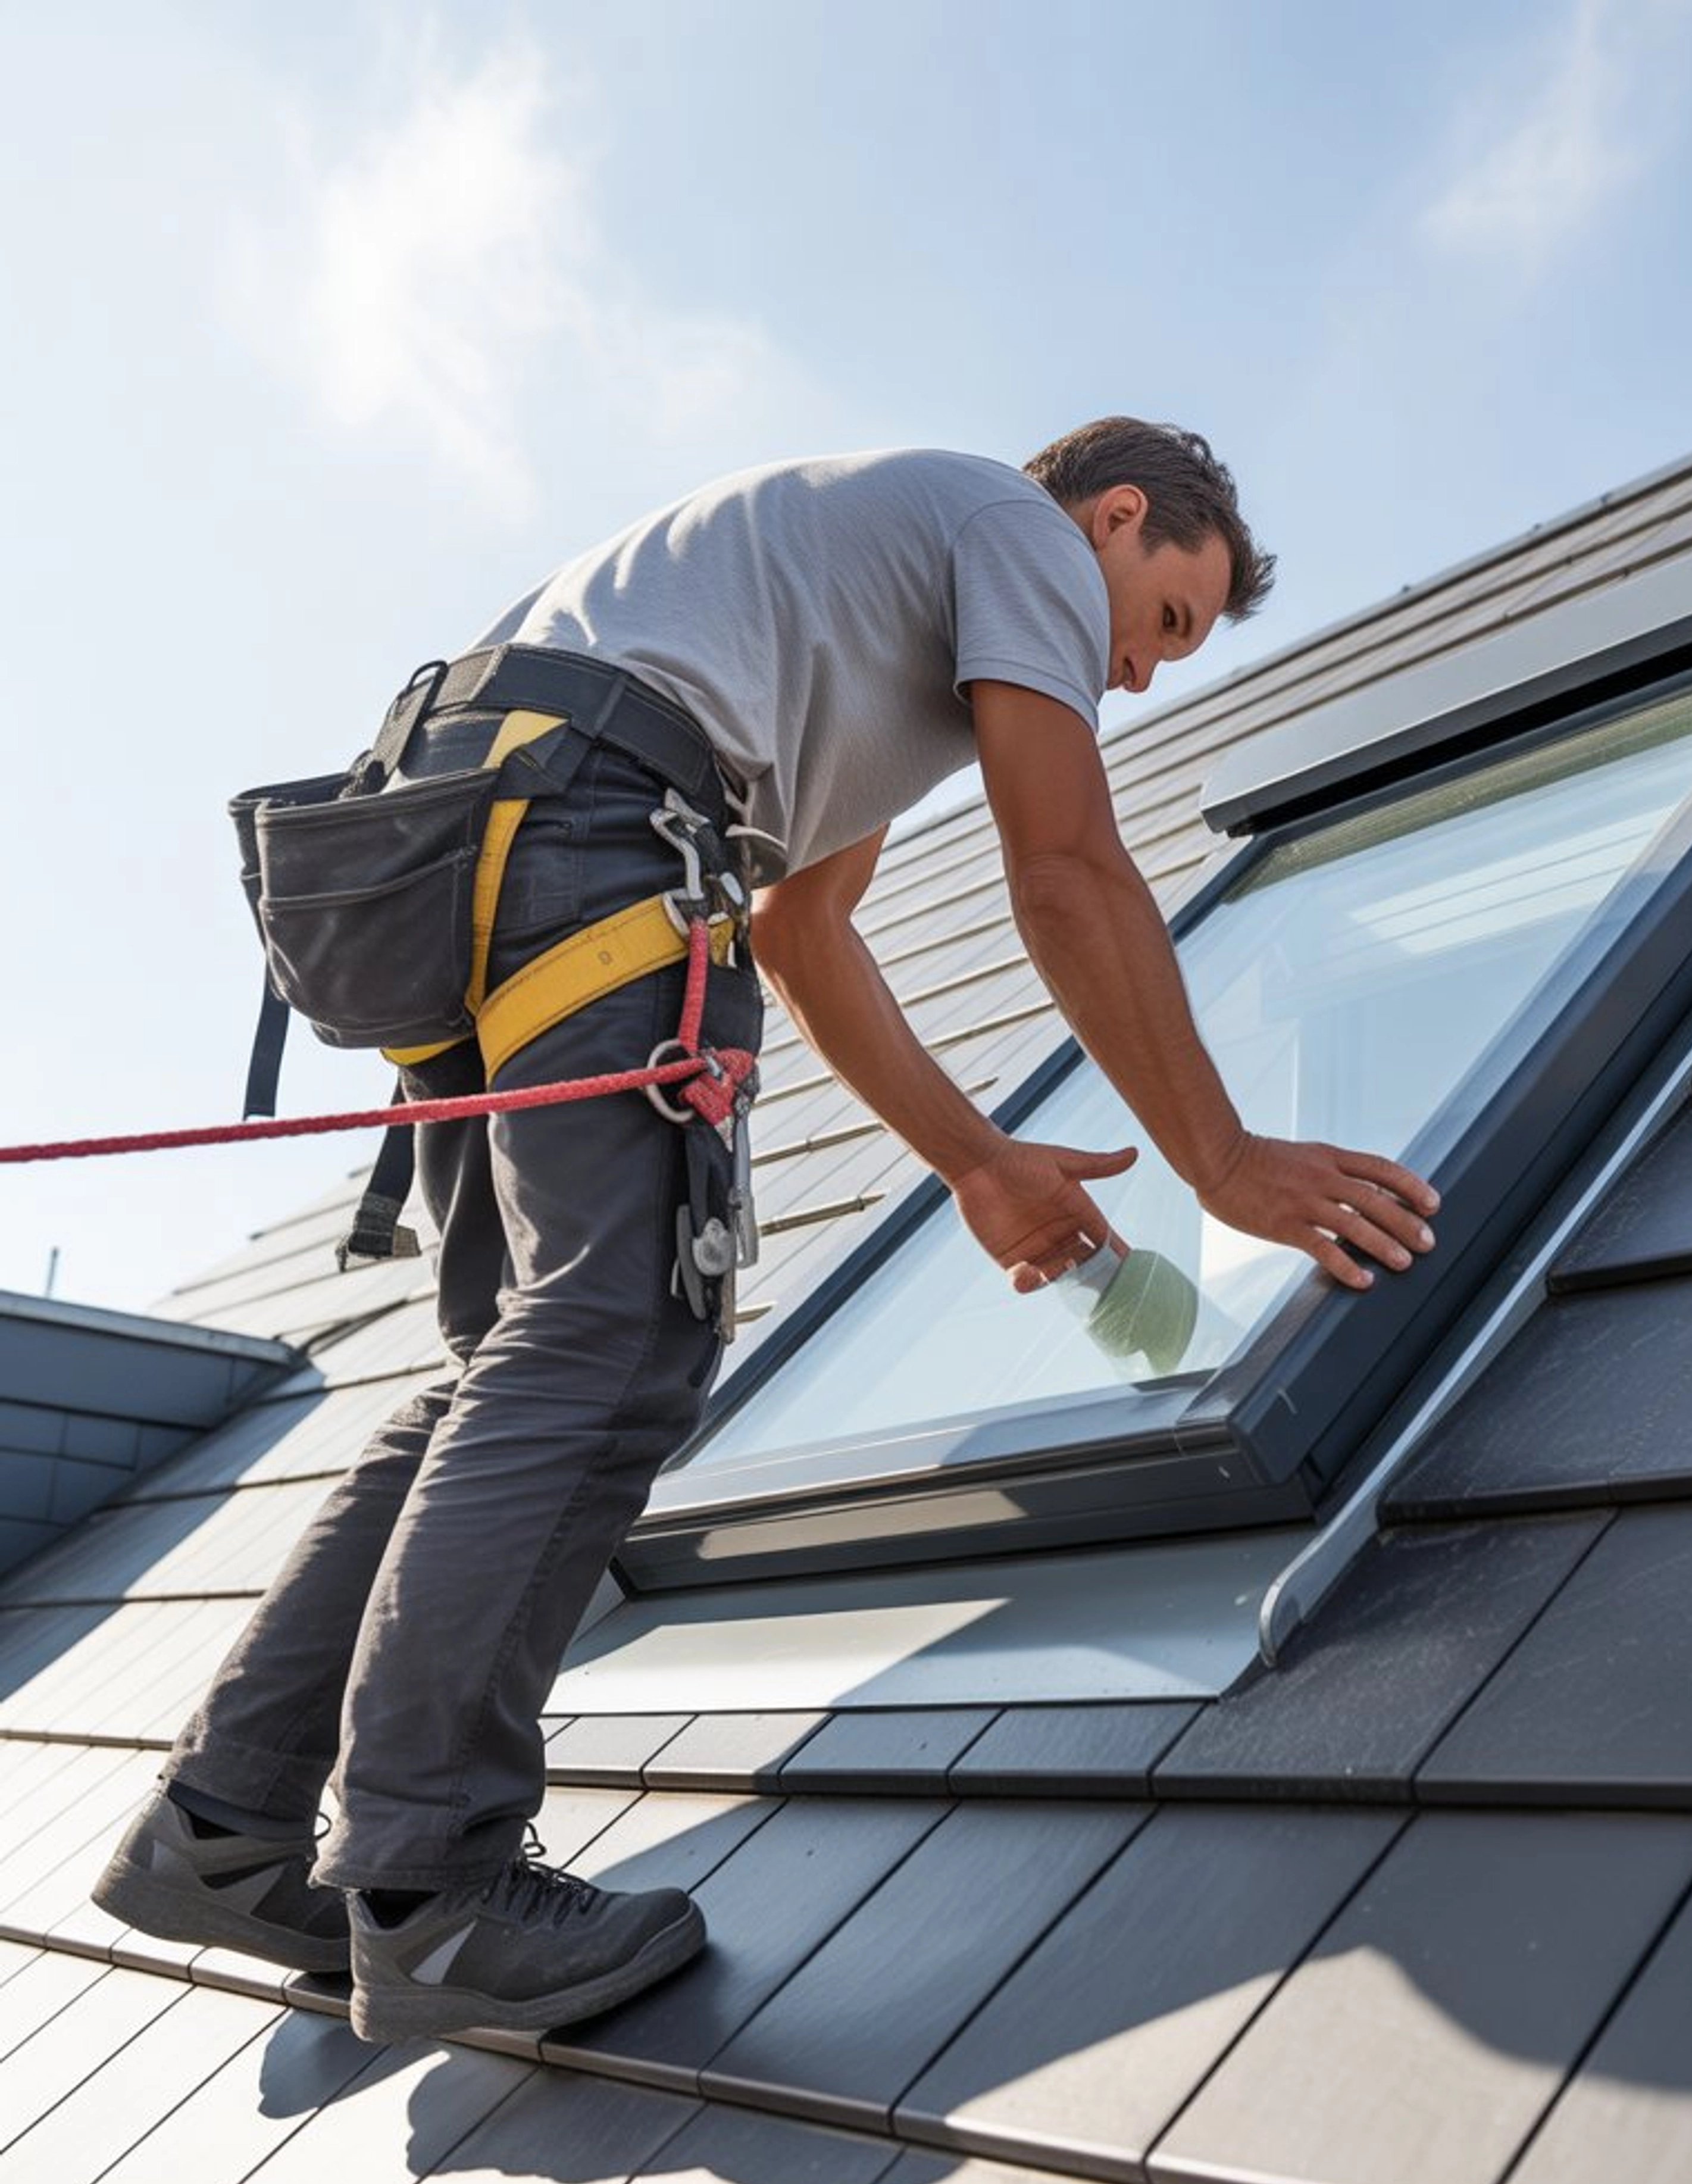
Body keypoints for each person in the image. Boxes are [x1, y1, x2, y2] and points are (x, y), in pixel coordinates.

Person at [94, 419, 1441, 2044]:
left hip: (462, 841)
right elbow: (1068, 869)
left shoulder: (860, 612)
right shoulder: (1010, 528)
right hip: (586, 821)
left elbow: (806, 931)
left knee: (509, 1368)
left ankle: (224, 1832)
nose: (1138, 682)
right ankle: (433, 1888)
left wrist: (977, 1163)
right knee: (608, 1341)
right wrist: (1218, 1158)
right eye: (1160, 621)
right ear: (1116, 516)